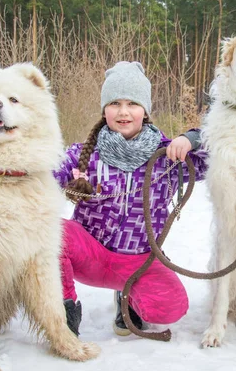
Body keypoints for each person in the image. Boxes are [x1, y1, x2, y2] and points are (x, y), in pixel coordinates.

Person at [54, 61, 207, 336]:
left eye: (132, 104)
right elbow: (45, 170)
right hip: (90, 256)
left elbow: (222, 150)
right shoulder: (83, 154)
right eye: (114, 103)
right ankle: (62, 313)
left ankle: (128, 298)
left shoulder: (168, 156)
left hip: (140, 262)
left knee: (171, 308)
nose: (123, 112)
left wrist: (192, 138)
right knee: (50, 233)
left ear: (145, 110)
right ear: (104, 110)